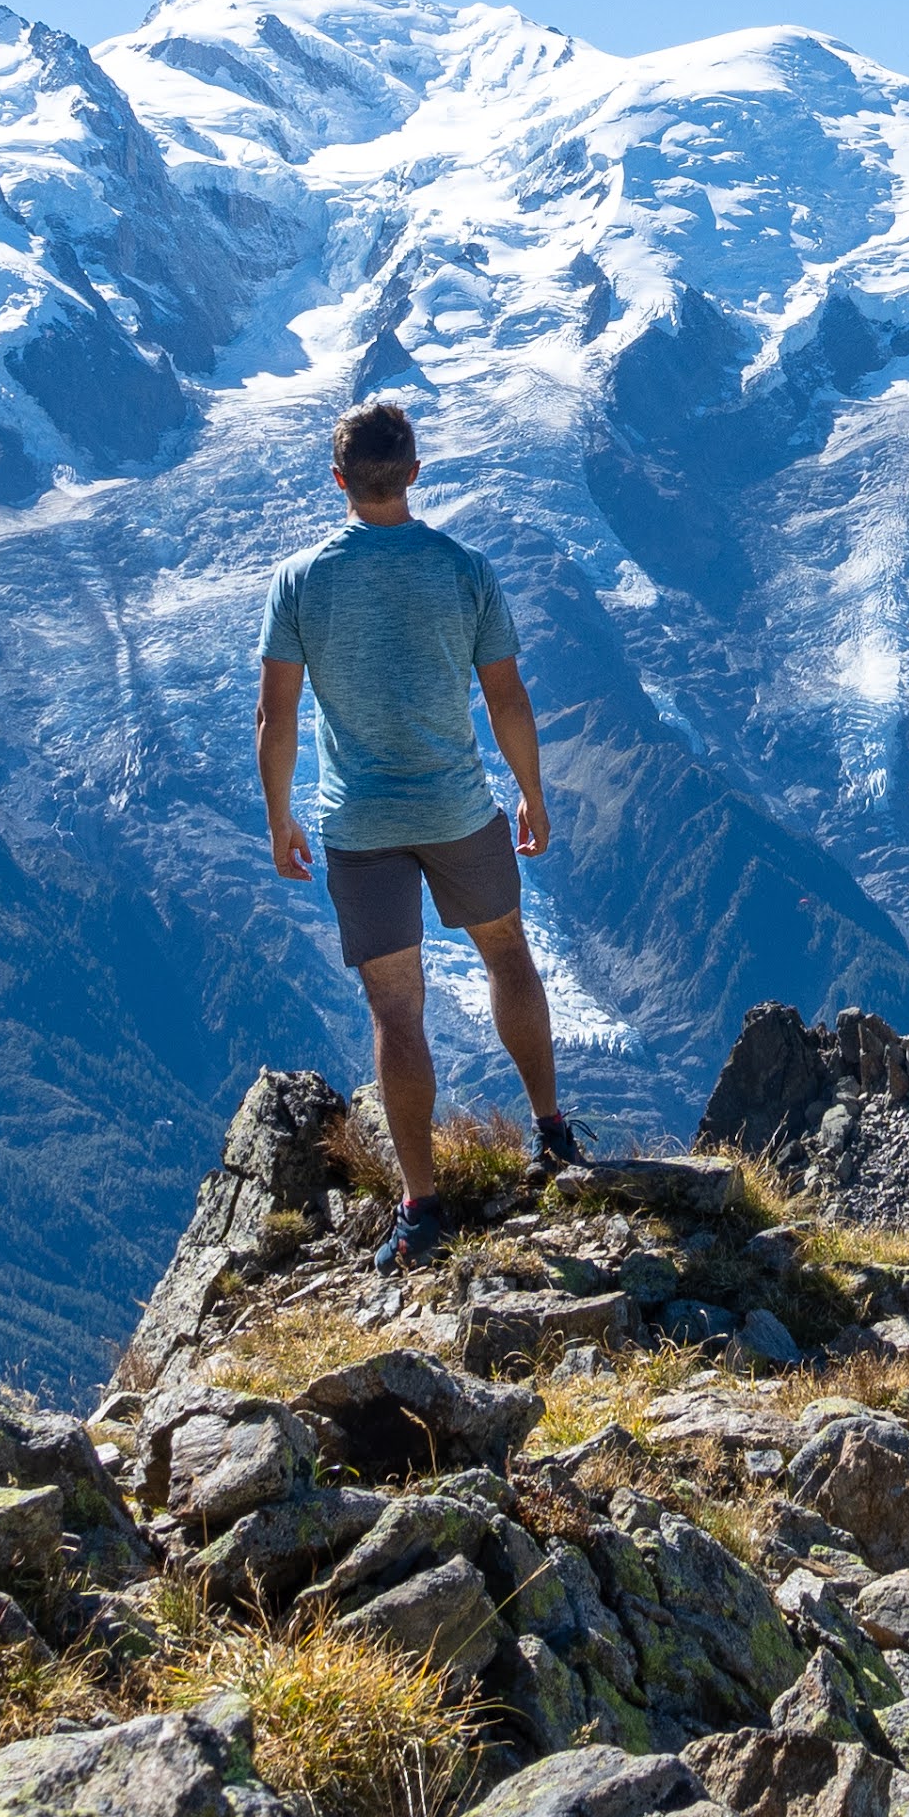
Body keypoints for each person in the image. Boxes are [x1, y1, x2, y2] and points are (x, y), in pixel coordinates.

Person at [254, 399, 581, 1251]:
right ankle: (552, 1135)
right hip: (458, 808)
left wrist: (278, 814)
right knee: (508, 954)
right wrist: (533, 795)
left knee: (396, 1012)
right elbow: (506, 697)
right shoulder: (463, 568)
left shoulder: (299, 580)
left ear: (338, 481)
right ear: (415, 472)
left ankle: (420, 1209)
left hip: (358, 823)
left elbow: (276, 717)